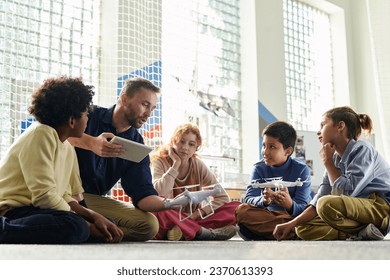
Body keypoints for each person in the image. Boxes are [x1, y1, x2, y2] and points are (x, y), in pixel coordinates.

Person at [0, 76, 123, 244]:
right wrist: (85, 224)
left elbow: (64, 195)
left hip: (37, 209)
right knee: (75, 226)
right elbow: (44, 196)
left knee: (102, 223)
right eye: (86, 114)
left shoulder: (67, 145)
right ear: (72, 120)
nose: (88, 120)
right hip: (13, 210)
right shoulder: (41, 133)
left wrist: (94, 216)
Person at [68, 77, 171, 241]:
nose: (148, 114)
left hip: (92, 201)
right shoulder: (89, 114)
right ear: (124, 98)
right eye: (145, 104)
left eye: (152, 108)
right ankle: (82, 225)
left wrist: (173, 203)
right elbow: (54, 132)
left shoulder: (137, 144)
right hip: (63, 193)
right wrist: (92, 143)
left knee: (150, 225)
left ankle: (83, 227)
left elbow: (143, 194)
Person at [273, 106, 390, 241]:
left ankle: (366, 229)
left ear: (340, 126)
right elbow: (321, 195)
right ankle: (358, 232)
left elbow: (346, 193)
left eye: (323, 125)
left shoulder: (362, 149)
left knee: (326, 204)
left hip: (380, 207)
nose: (318, 132)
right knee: (302, 227)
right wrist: (292, 223)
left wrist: (328, 163)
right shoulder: (334, 158)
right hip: (355, 209)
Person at [150, 123, 239, 241]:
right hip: (169, 217)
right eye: (181, 141)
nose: (185, 147)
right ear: (173, 142)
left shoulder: (198, 165)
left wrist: (197, 214)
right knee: (154, 213)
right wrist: (175, 164)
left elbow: (222, 198)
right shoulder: (160, 162)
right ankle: (204, 233)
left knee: (236, 208)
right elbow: (158, 193)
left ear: (196, 148)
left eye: (191, 144)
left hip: (193, 218)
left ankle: (184, 231)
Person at [235, 121, 312, 240]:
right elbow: (249, 198)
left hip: (293, 217)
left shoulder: (302, 169)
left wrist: (290, 205)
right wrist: (264, 201)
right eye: (264, 145)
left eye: (272, 147)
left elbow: (304, 206)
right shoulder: (258, 168)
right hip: (268, 215)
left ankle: (274, 231)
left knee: (309, 218)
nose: (265, 152)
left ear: (288, 151)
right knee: (241, 210)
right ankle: (290, 232)